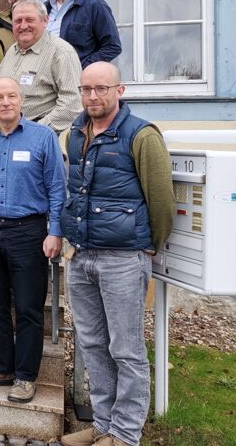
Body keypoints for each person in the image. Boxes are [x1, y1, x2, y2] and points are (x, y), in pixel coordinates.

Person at [60, 62, 175, 446]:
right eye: (86, 89)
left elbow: (161, 201)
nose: (93, 96)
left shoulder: (141, 135)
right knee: (92, 343)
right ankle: (103, 424)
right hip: (81, 255)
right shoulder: (77, 132)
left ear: (119, 90)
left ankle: (126, 435)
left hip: (123, 258)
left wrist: (147, 248)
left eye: (101, 89)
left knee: (125, 348)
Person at [0, 77, 66, 404]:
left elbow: (57, 189)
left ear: (22, 100)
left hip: (28, 231)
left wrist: (56, 230)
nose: (5, 102)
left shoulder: (43, 137)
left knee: (29, 307)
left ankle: (25, 376)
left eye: (11, 96)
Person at [0, 0, 83, 133]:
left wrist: (35, 131)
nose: (23, 26)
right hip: (6, 132)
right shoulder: (11, 51)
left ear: (45, 21)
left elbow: (72, 105)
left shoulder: (61, 52)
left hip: (41, 137)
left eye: (30, 20)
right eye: (18, 21)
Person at [46, 0, 121, 67]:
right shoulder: (45, 7)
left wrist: (81, 67)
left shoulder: (95, 5)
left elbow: (112, 47)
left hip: (76, 79)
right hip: (45, 78)